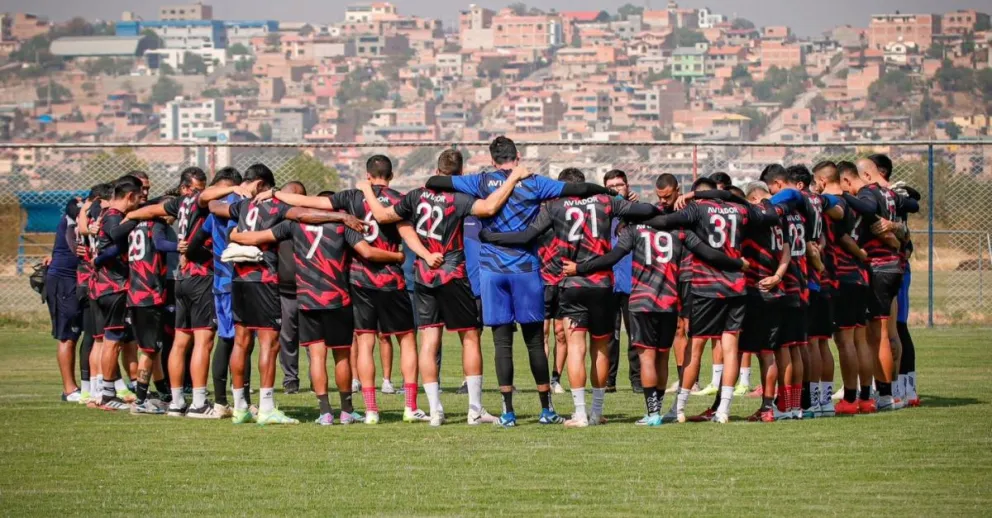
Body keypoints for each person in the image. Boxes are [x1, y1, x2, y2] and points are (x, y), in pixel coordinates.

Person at [423, 136, 614, 427]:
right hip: (525, 268)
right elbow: (579, 189)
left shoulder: (480, 181)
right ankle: (546, 410)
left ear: (492, 159)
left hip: (491, 269)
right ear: (518, 155)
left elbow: (435, 182)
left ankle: (508, 413)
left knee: (501, 342)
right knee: (535, 341)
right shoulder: (536, 183)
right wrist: (608, 193)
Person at [361, 149, 533, 426]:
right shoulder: (460, 198)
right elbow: (489, 208)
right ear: (460, 174)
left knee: (429, 340)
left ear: (437, 169)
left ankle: (436, 411)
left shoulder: (416, 195)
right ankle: (474, 410)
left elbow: (382, 216)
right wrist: (512, 179)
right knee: (469, 337)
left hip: (423, 275)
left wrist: (366, 189)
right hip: (453, 272)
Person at [480, 168, 657, 428]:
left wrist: (493, 237)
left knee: (575, 346)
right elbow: (647, 212)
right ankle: (597, 413)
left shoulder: (555, 206)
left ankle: (580, 414)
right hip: (602, 284)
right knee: (600, 347)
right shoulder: (606, 202)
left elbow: (527, 236)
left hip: (571, 283)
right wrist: (624, 198)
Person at [267, 155, 437, 425]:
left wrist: (274, 193)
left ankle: (370, 410)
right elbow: (407, 233)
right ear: (390, 176)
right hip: (391, 281)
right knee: (405, 340)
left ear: (368, 175)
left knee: (365, 343)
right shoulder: (399, 198)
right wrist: (420, 255)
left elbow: (310, 203)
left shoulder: (351, 198)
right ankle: (410, 406)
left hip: (358, 280)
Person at [561, 186, 740, 426]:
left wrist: (579, 268)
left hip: (642, 302)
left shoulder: (634, 231)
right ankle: (659, 410)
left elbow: (611, 258)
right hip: (669, 302)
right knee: (663, 358)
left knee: (647, 359)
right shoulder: (680, 233)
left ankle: (652, 413)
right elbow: (708, 253)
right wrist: (737, 263)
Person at [644, 177, 796, 424]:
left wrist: (637, 218)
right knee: (731, 348)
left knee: (696, 347)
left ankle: (678, 409)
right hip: (736, 286)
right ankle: (723, 410)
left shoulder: (697, 208)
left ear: (698, 195)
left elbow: (665, 221)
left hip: (706, 286)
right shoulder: (741, 209)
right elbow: (767, 216)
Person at [230, 203, 373, 425]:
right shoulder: (343, 224)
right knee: (342, 356)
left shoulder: (292, 225)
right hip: (337, 297)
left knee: (317, 356)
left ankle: (325, 413)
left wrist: (235, 234)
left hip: (307, 298)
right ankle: (346, 411)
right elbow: (366, 251)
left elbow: (257, 238)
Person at [204, 165, 299, 425]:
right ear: (263, 184)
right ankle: (267, 407)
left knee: (241, 342)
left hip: (238, 279)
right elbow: (301, 213)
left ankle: (239, 407)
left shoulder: (241, 207)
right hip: (264, 278)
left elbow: (212, 206)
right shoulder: (275, 206)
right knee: (270, 343)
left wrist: (233, 191)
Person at [127, 167, 221, 418]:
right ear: (185, 189)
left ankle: (176, 400)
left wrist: (128, 216)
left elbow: (149, 209)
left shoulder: (176, 205)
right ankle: (198, 402)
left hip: (179, 280)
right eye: (197, 189)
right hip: (197, 277)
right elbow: (157, 229)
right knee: (201, 340)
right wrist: (237, 188)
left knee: (178, 342)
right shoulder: (194, 203)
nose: (202, 194)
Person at [843, 160, 915, 411]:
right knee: (890, 332)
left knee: (878, 335)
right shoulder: (892, 194)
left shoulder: (868, 194)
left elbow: (873, 218)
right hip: (895, 266)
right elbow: (907, 216)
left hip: (878, 268)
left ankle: (884, 395)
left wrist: (842, 196)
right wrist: (897, 236)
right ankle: (893, 391)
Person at [187, 167, 247, 415]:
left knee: (226, 340)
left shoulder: (214, 213)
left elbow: (192, 248)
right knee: (242, 343)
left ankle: (222, 401)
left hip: (219, 282)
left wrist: (214, 258)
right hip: (241, 281)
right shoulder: (241, 207)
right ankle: (239, 401)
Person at [816, 161, 871, 415]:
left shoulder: (832, 204)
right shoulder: (856, 201)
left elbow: (838, 233)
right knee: (860, 340)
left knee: (845, 340)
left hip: (843, 277)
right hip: (861, 275)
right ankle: (866, 397)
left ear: (822, 181)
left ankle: (849, 399)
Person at [740, 181, 793, 422]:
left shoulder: (755, 219)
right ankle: (768, 407)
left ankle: (721, 407)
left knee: (737, 349)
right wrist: (778, 276)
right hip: (777, 290)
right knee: (768, 353)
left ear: (753, 200)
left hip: (755, 290)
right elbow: (786, 251)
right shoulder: (780, 218)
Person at [92, 175, 143, 410]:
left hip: (103, 286)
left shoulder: (105, 214)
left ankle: (106, 393)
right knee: (112, 342)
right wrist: (135, 217)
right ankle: (107, 396)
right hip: (114, 286)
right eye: (139, 198)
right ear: (130, 196)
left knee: (110, 341)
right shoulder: (114, 216)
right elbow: (116, 235)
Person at [121, 196, 175, 414]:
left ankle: (164, 395)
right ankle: (141, 401)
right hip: (149, 294)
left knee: (154, 349)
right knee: (149, 352)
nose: (173, 214)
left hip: (134, 293)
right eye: (169, 209)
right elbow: (160, 244)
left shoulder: (133, 226)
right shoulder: (155, 225)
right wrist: (183, 246)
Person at [603, 169, 639, 394]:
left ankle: (637, 380)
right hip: (607, 281)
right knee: (608, 335)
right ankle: (608, 380)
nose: (617, 189)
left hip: (633, 280)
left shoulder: (637, 212)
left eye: (620, 185)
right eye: (612, 186)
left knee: (635, 335)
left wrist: (635, 206)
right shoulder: (600, 213)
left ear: (628, 187)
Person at [48, 195, 83, 401]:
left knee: (80, 332)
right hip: (64, 279)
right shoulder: (75, 212)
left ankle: (88, 385)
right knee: (68, 335)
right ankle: (69, 389)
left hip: (81, 279)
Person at [275, 181, 307, 395]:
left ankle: (318, 378)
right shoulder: (273, 221)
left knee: (315, 339)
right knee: (286, 336)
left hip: (310, 289)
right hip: (283, 290)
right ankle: (290, 380)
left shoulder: (311, 222)